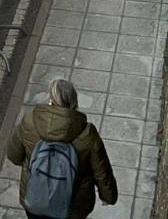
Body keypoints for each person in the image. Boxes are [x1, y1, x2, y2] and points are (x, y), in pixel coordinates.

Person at [7, 78, 117, 219]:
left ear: (51, 100)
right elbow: (102, 170)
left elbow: (13, 155)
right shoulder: (87, 134)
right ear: (74, 102)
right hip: (72, 203)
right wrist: (108, 196)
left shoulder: (30, 121)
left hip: (36, 197)